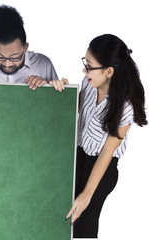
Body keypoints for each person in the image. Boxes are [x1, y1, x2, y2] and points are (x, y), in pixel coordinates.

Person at [66, 34, 148, 238]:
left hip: (102, 166)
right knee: (63, 215)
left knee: (83, 223)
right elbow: (70, 112)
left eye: (90, 66)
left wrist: (86, 195)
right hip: (78, 156)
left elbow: (107, 153)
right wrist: (62, 90)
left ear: (109, 71)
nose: (84, 71)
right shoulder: (88, 84)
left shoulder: (124, 107)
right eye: (85, 63)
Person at [0, 4, 67, 91]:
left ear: (25, 48)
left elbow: (58, 105)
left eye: (14, 57)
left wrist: (46, 87)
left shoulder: (43, 64)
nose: (7, 64)